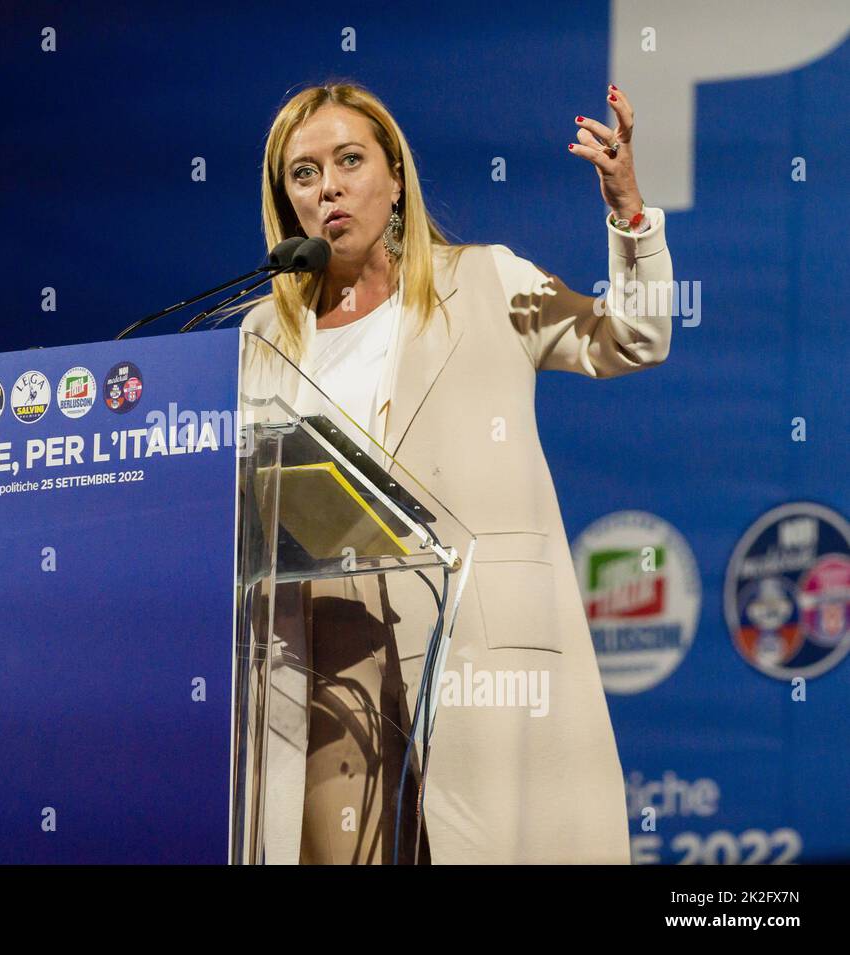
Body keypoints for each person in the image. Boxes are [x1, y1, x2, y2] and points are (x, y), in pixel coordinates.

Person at [237, 81, 673, 864]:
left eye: (349, 160)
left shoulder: (484, 281)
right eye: (304, 173)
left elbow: (632, 337)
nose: (329, 186)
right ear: (286, 201)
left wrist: (629, 215)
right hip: (328, 667)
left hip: (474, 650)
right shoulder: (261, 335)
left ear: (395, 176)